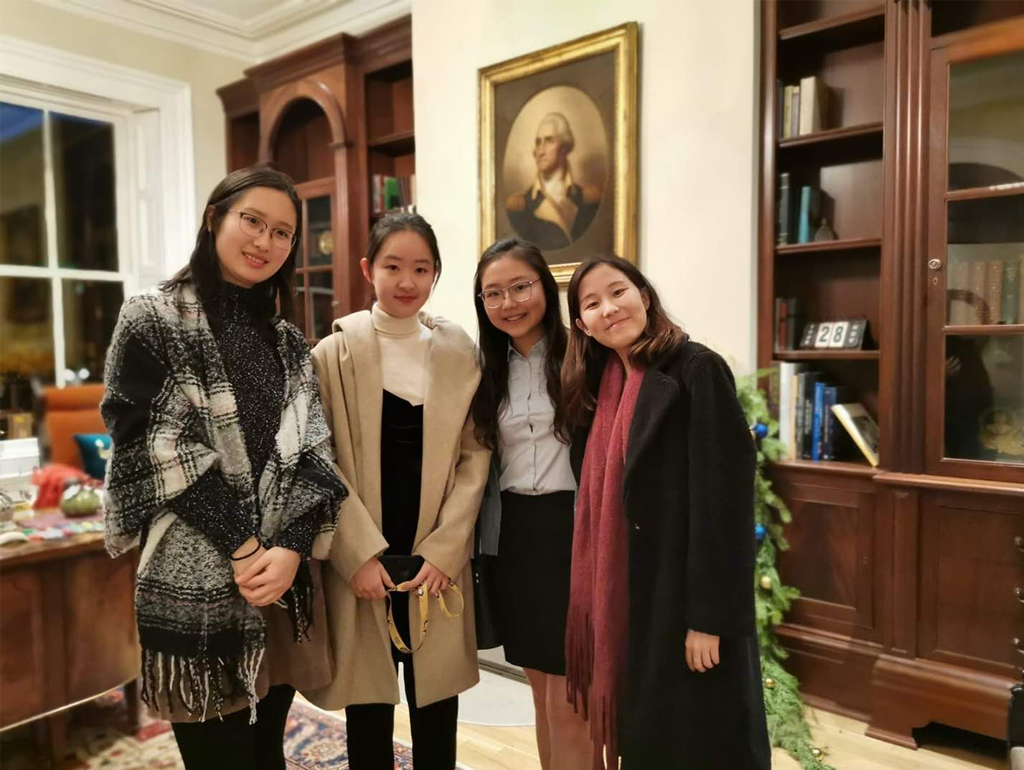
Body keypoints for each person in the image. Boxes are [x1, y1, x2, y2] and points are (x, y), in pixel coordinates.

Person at [101, 166, 348, 770]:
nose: (265, 242)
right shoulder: (150, 319)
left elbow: (314, 451)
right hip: (196, 585)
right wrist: (242, 548)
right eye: (253, 221)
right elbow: (152, 445)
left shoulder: (289, 341)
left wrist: (290, 548)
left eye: (283, 232)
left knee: (268, 753)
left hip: (281, 585)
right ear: (215, 219)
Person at [561, 255, 771, 769]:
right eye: (592, 303)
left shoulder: (696, 369)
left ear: (644, 296)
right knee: (655, 745)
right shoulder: (600, 387)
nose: (609, 309)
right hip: (638, 602)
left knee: (703, 744)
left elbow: (723, 506)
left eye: (618, 292)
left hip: (685, 606)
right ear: (581, 325)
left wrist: (709, 619)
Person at [304, 212, 490, 770]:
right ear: (368, 269)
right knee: (368, 709)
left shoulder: (459, 353)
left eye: (420, 268)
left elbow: (474, 457)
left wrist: (445, 551)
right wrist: (356, 554)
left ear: (436, 274)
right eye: (392, 266)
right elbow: (318, 459)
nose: (406, 281)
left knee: (437, 709)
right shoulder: (331, 356)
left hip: (436, 560)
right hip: (365, 560)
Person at [470, 238, 593, 769]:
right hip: (514, 534)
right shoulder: (484, 370)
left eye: (520, 286)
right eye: (493, 293)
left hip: (573, 530)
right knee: (541, 686)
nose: (509, 303)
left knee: (573, 693)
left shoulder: (587, 356)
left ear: (546, 285)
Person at [506, 111, 602, 251]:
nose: (540, 151)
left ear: (564, 147)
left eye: (549, 141)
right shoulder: (519, 206)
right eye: (538, 142)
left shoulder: (589, 198)